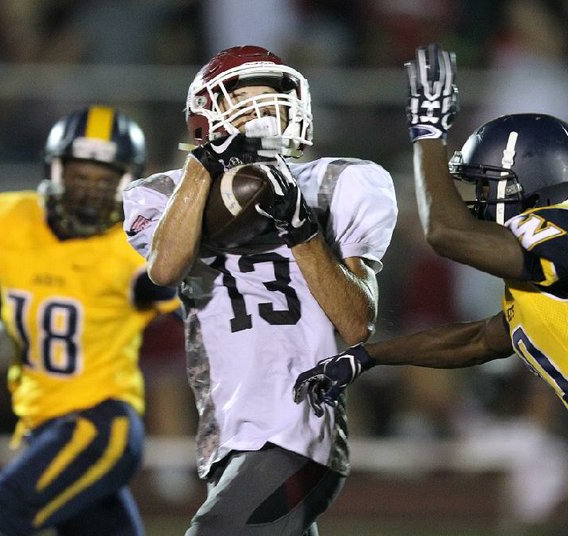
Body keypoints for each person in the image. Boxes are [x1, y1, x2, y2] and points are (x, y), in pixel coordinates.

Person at [294, 43, 568, 534]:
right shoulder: (551, 285)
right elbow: (476, 340)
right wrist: (369, 357)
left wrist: (428, 135)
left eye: (487, 186)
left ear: (535, 183)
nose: (478, 202)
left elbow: (446, 234)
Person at [121, 45, 398, 536]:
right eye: (240, 98)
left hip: (299, 429)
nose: (257, 109)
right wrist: (204, 163)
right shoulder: (161, 194)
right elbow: (165, 268)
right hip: (228, 433)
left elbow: (358, 323)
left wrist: (302, 231)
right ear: (205, 116)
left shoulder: (339, 183)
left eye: (268, 98)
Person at [0, 105, 181, 536]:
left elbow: (197, 319)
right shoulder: (5, 220)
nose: (88, 190)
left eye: (104, 179)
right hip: (42, 426)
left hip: (101, 422)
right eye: (79, 175)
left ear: (128, 182)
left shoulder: (135, 254)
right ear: (52, 169)